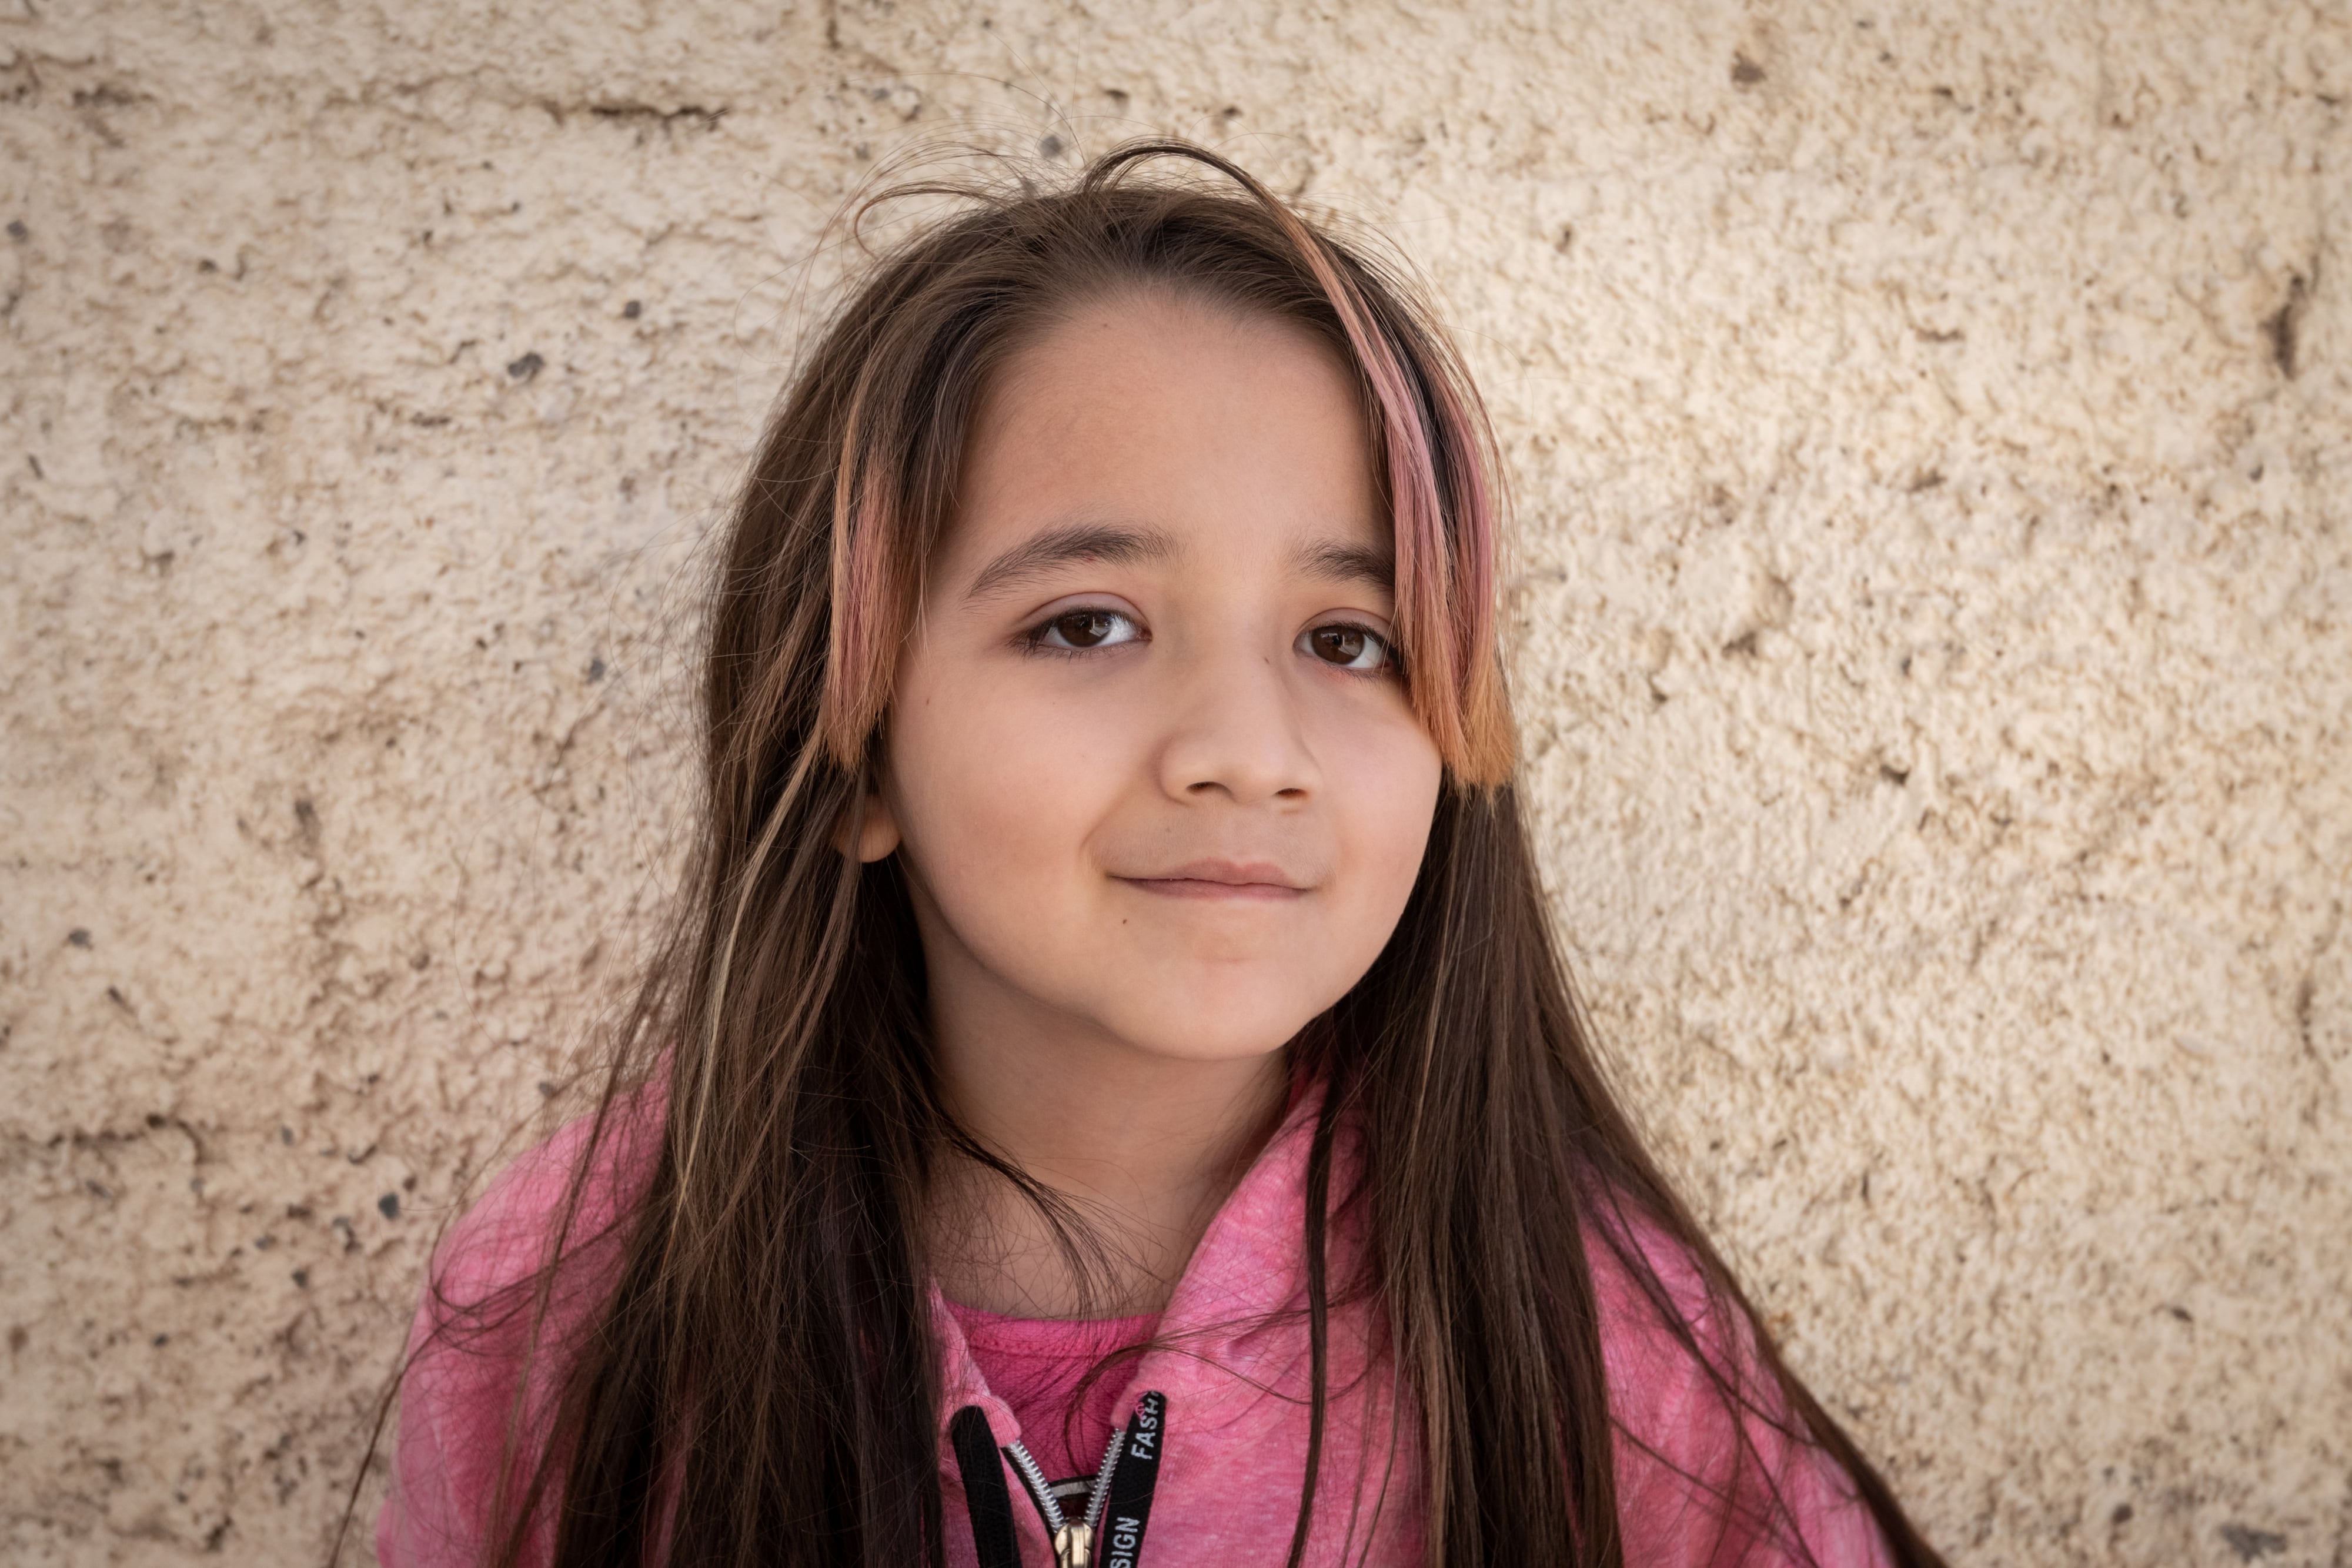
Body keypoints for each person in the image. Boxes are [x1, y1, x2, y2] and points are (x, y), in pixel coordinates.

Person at [364, 141, 1945, 1568]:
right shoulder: (578, 1300)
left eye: (1349, 638)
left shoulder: (1585, 1342)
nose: (1247, 748)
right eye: (1088, 623)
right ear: (851, 749)